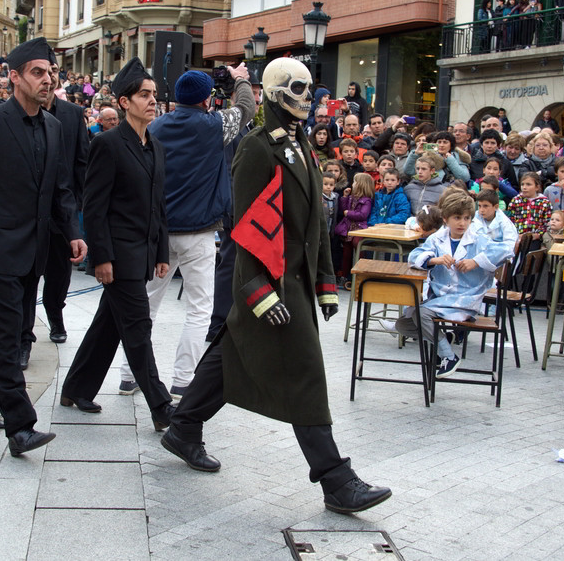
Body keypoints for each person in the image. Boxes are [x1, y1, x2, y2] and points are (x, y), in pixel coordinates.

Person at [159, 57, 391, 515]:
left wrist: (326, 281)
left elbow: (316, 225)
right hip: (269, 282)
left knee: (232, 356)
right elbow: (245, 227)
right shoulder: (257, 147)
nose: (309, 99)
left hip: (296, 281)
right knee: (304, 372)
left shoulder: (299, 143)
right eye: (299, 89)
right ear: (275, 91)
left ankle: (183, 426)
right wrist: (258, 292)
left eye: (310, 90)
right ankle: (335, 479)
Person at [0, 37, 86, 456]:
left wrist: (74, 231)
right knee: (10, 336)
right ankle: (20, 426)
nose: (48, 80)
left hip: (36, 249)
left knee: (0, 330)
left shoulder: (54, 126)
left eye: (51, 73)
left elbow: (61, 188)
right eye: (37, 73)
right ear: (14, 77)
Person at [117, 64, 254, 397]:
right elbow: (247, 108)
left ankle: (128, 374)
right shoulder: (213, 125)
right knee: (199, 308)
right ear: (207, 99)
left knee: (146, 305)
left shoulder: (155, 126)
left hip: (160, 231)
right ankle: (182, 378)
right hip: (198, 231)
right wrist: (239, 78)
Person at [59, 57, 175, 432]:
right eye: (144, 94)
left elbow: (159, 206)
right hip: (119, 256)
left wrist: (160, 253)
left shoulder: (156, 146)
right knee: (138, 328)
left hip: (143, 254)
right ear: (125, 102)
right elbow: (94, 208)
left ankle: (76, 387)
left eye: (154, 94)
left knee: (108, 325)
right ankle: (161, 407)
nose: (152, 100)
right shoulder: (107, 144)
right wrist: (101, 257)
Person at [390, 191, 513, 377]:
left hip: (466, 298)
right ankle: (445, 338)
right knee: (403, 325)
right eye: (457, 218)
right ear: (446, 219)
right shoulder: (437, 239)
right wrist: (434, 260)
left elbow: (506, 251)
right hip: (441, 299)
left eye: (467, 218)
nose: (462, 223)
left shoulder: (478, 239)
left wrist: (476, 261)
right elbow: (414, 257)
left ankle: (448, 356)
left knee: (419, 313)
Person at [37, 51, 90, 351]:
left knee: (59, 272)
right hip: (28, 212)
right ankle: (22, 334)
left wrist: (77, 206)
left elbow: (81, 161)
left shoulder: (71, 114)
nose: (50, 75)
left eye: (55, 70)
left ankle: (55, 315)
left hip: (63, 210)